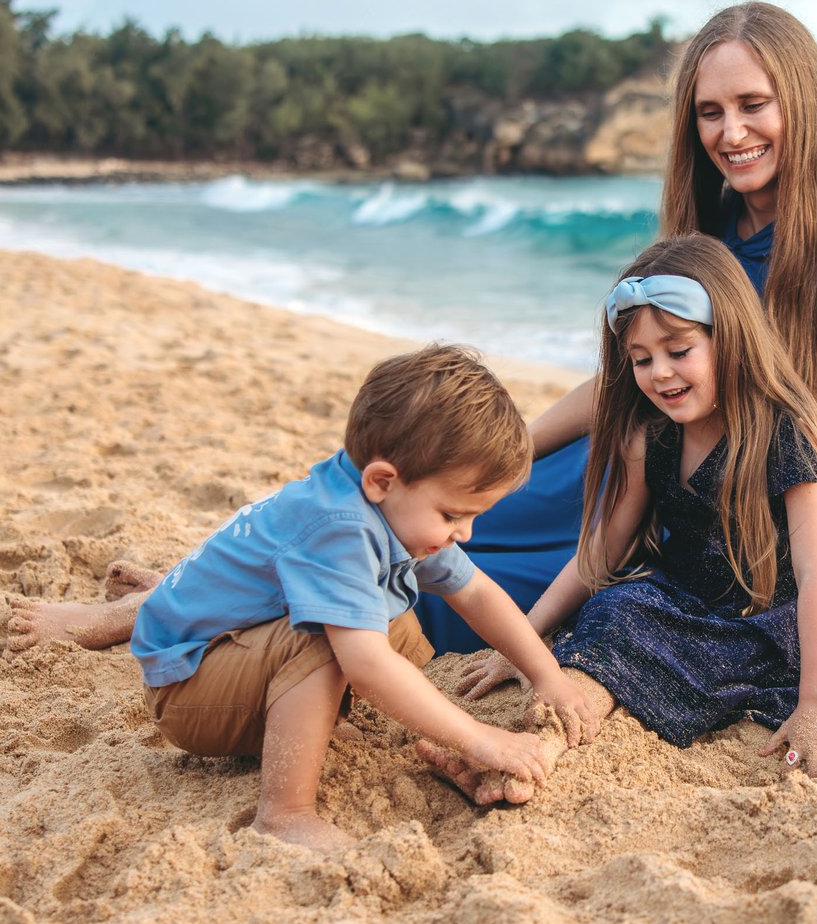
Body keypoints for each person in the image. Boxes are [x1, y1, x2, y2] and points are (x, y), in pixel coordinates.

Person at [416, 1, 817, 677]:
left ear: (802, 104)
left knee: (456, 593)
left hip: (712, 526)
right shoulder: (705, 230)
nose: (731, 132)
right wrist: (509, 455)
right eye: (710, 112)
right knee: (436, 500)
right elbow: (626, 379)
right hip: (633, 468)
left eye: (753, 104)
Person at [420, 236, 817, 804]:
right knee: (614, 611)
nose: (660, 373)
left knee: (643, 643)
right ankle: (525, 750)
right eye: (641, 359)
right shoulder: (653, 436)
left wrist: (815, 705)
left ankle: (531, 758)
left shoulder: (787, 436)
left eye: (679, 350)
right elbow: (602, 552)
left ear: (730, 337)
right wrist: (523, 639)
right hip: (678, 602)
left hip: (769, 624)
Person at [92, 345, 604, 850]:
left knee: (395, 620)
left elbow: (476, 592)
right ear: (382, 481)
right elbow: (366, 665)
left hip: (237, 649)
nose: (465, 533)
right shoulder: (339, 527)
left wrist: (547, 676)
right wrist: (478, 737)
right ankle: (284, 814)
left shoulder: (386, 503)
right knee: (333, 640)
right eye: (452, 515)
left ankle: (313, 721)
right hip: (187, 689)